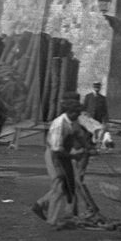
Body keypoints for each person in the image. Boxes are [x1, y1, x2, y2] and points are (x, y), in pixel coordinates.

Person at [32, 96, 90, 229]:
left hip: (65, 154)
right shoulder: (59, 125)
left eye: (79, 112)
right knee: (59, 185)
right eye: (76, 112)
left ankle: (40, 204)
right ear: (68, 112)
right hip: (54, 155)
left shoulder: (74, 120)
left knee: (69, 185)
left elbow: (79, 135)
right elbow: (57, 150)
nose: (78, 114)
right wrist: (74, 157)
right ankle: (52, 221)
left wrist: (88, 148)